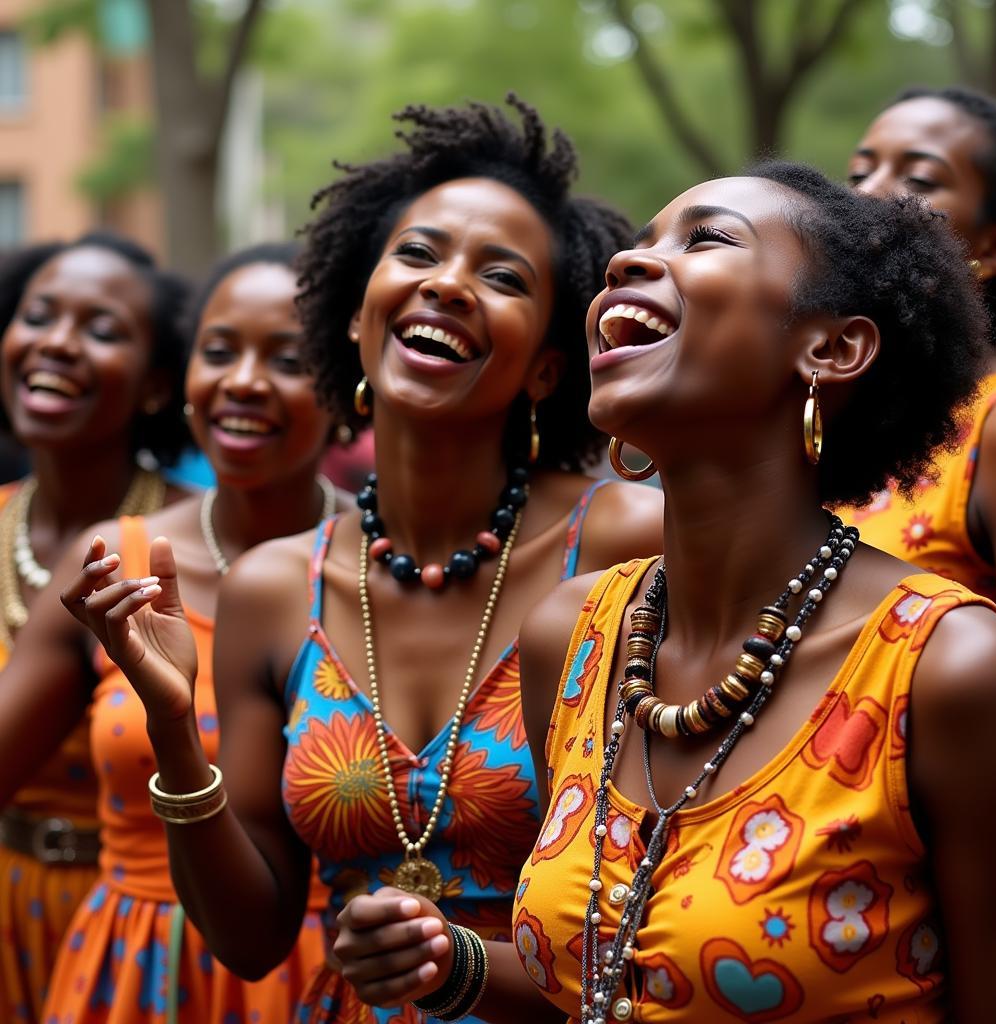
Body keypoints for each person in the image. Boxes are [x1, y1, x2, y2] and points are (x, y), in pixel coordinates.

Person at [328, 165, 996, 1022]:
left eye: (706, 238)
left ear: (832, 349)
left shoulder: (950, 668)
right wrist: (451, 961)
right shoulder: (573, 634)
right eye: (642, 239)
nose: (629, 262)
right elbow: (598, 986)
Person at [61, 96, 664, 1023]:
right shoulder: (275, 588)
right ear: (354, 316)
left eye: (500, 276)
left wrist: (464, 964)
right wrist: (175, 725)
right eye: (417, 254)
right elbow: (254, 940)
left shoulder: (630, 543)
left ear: (548, 368)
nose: (447, 285)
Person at [1, 243, 340, 1022]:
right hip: (131, 970)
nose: (243, 380)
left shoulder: (386, 569)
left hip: (325, 969)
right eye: (218, 352)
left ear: (346, 388)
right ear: (184, 381)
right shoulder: (116, 557)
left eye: (287, 359)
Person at [0, 233, 192, 1023]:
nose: (56, 342)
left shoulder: (183, 548)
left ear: (153, 386)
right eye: (38, 315)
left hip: (125, 918)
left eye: (101, 329)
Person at [840, 86, 996, 633]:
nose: (866, 194)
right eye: (858, 174)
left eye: (918, 179)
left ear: (995, 248)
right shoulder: (825, 407)